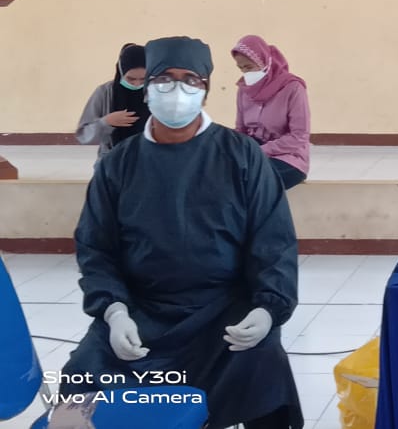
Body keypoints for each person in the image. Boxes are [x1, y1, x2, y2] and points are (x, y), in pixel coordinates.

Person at [62, 36, 303, 429]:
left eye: (191, 79)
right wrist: (114, 311)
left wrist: (267, 308)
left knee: (265, 375)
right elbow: (96, 248)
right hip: (141, 312)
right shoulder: (118, 165)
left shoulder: (242, 156)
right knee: (77, 390)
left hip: (224, 311)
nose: (177, 89)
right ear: (146, 88)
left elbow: (273, 242)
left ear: (205, 89)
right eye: (164, 78)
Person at [232, 34, 311, 189]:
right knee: (223, 172)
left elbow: (299, 136)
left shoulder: (292, 88)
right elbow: (241, 130)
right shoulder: (244, 90)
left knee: (252, 180)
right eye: (241, 68)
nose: (246, 73)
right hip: (254, 152)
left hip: (288, 157)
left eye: (249, 67)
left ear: (264, 62)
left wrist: (261, 151)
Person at [75, 43, 150, 158]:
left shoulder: (155, 91)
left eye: (143, 79)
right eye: (131, 79)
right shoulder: (104, 92)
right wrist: (106, 122)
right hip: (112, 158)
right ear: (121, 72)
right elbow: (84, 135)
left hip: (149, 158)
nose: (137, 84)